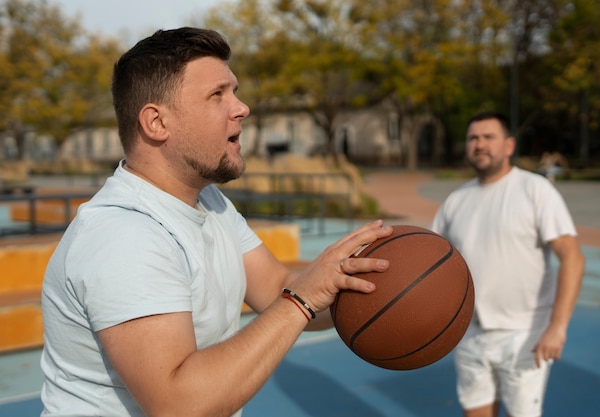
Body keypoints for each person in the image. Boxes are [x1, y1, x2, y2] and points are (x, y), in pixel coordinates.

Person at [39, 27, 392, 417]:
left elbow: (277, 288)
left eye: (234, 91)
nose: (241, 108)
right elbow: (179, 405)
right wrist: (304, 300)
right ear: (157, 123)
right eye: (217, 95)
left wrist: (362, 286)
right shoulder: (124, 235)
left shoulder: (210, 201)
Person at [430, 111, 585, 417]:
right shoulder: (455, 201)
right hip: (470, 332)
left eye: (489, 137)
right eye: (473, 138)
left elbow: (572, 257)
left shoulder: (536, 190)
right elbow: (429, 264)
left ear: (509, 145)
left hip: (524, 333)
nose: (480, 144)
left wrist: (557, 327)